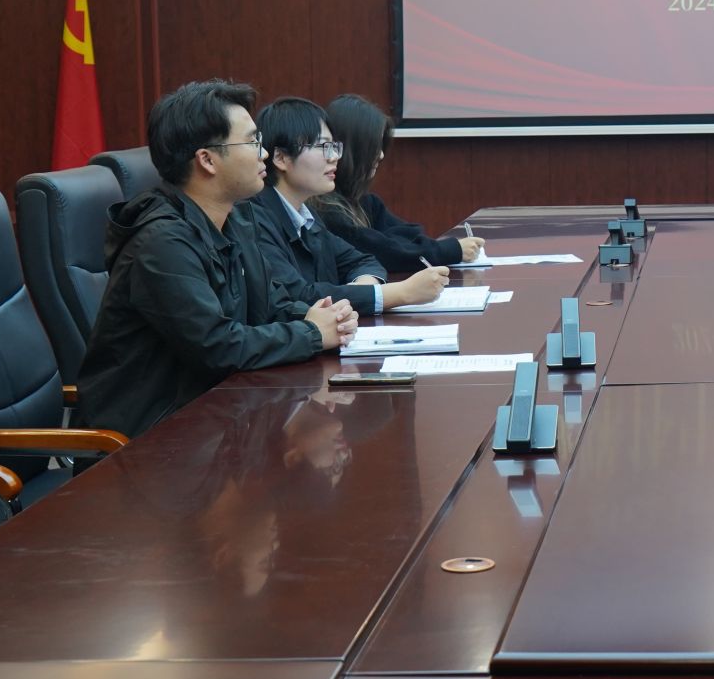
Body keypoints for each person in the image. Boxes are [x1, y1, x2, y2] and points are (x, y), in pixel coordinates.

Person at [79, 80, 355, 438]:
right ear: (207, 160)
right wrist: (312, 334)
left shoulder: (236, 218)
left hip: (215, 420)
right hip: (151, 439)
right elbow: (218, 347)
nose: (264, 153)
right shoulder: (162, 242)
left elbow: (270, 305)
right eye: (252, 142)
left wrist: (323, 318)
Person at [239, 97, 449, 315]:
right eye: (323, 147)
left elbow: (363, 260)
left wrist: (362, 290)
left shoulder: (306, 216)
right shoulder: (254, 219)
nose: (334, 157)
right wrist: (401, 293)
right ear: (281, 158)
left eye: (334, 147)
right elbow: (298, 296)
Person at [313, 94, 486, 273]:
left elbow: (411, 234)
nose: (381, 155)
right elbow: (388, 254)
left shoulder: (366, 201)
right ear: (353, 147)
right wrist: (452, 250)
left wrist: (393, 243)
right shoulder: (327, 211)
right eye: (374, 146)